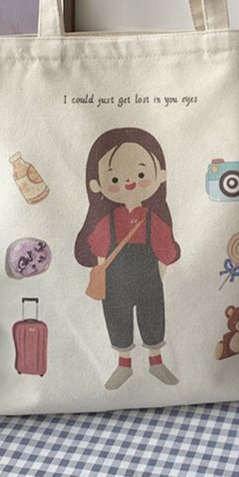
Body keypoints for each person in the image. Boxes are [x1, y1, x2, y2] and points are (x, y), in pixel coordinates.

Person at [75, 128, 180, 390]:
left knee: (152, 316)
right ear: (97, 185)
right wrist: (104, 274)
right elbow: (98, 249)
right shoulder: (109, 219)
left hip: (148, 277)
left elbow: (165, 248)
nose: (130, 183)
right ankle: (124, 365)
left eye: (141, 174)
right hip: (116, 280)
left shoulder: (151, 218)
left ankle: (156, 362)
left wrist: (158, 273)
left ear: (160, 175)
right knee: (118, 319)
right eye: (115, 179)